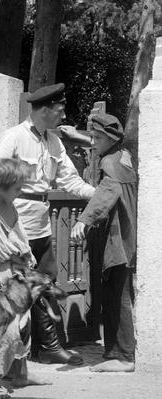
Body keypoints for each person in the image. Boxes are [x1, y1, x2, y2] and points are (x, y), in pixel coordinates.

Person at [0, 83, 95, 365]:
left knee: (45, 284)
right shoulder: (14, 138)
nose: (63, 113)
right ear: (45, 109)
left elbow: (70, 179)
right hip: (14, 229)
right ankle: (1, 363)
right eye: (61, 108)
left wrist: (100, 196)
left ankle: (48, 347)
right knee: (9, 294)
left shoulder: (53, 142)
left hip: (41, 226)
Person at [0, 157, 50, 386]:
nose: (20, 192)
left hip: (16, 272)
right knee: (2, 331)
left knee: (23, 325)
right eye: (17, 188)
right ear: (1, 185)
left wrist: (26, 255)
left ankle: (20, 374)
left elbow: (16, 234)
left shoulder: (8, 204)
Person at [71, 113, 137, 372]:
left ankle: (124, 357)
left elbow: (108, 190)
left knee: (117, 296)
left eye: (98, 138)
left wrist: (83, 220)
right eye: (92, 136)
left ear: (110, 139)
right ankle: (114, 351)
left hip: (117, 239)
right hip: (121, 237)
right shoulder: (121, 156)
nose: (93, 141)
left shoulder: (111, 162)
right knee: (113, 294)